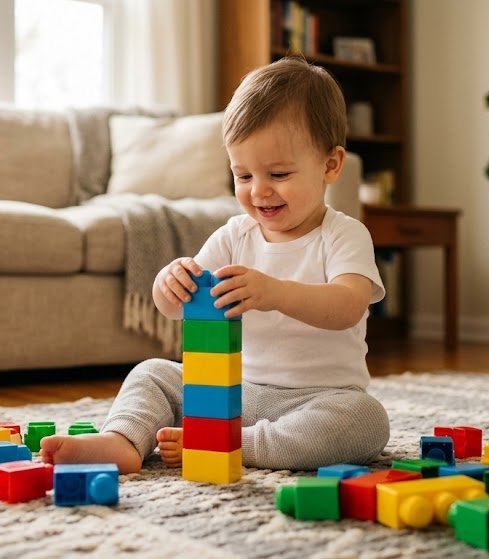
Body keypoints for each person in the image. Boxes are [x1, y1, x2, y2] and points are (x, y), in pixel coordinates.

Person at [39, 56, 389, 473]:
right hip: (231, 392)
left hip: (318, 399)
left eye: (278, 174)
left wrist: (275, 292)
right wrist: (169, 283)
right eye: (243, 176)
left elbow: (348, 305)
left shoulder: (343, 234)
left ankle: (236, 444)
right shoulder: (235, 235)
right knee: (153, 373)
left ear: (330, 165)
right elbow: (176, 308)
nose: (259, 191)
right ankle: (123, 439)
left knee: (367, 420)